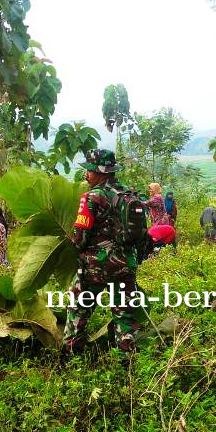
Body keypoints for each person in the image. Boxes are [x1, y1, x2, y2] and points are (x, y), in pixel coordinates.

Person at [63, 149, 142, 354]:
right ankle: (128, 360)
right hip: (125, 264)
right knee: (124, 315)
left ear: (100, 172)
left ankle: (71, 357)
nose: (87, 175)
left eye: (89, 170)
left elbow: (79, 238)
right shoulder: (129, 195)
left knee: (78, 309)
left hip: (96, 267)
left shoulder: (91, 197)